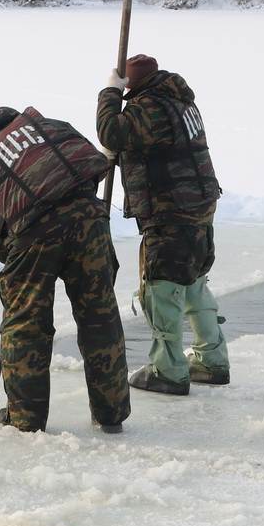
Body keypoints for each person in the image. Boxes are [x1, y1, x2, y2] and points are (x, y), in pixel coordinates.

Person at [0, 106, 131, 433]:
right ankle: (112, 414)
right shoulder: (48, 128)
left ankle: (25, 419)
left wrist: (16, 264)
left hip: (33, 234)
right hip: (89, 219)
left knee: (26, 325)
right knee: (100, 315)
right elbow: (83, 168)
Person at [96, 54, 229, 396]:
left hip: (172, 209)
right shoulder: (178, 101)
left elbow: (111, 132)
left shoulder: (151, 107)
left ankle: (168, 369)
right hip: (198, 203)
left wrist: (109, 94)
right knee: (193, 280)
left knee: (162, 285)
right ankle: (211, 359)